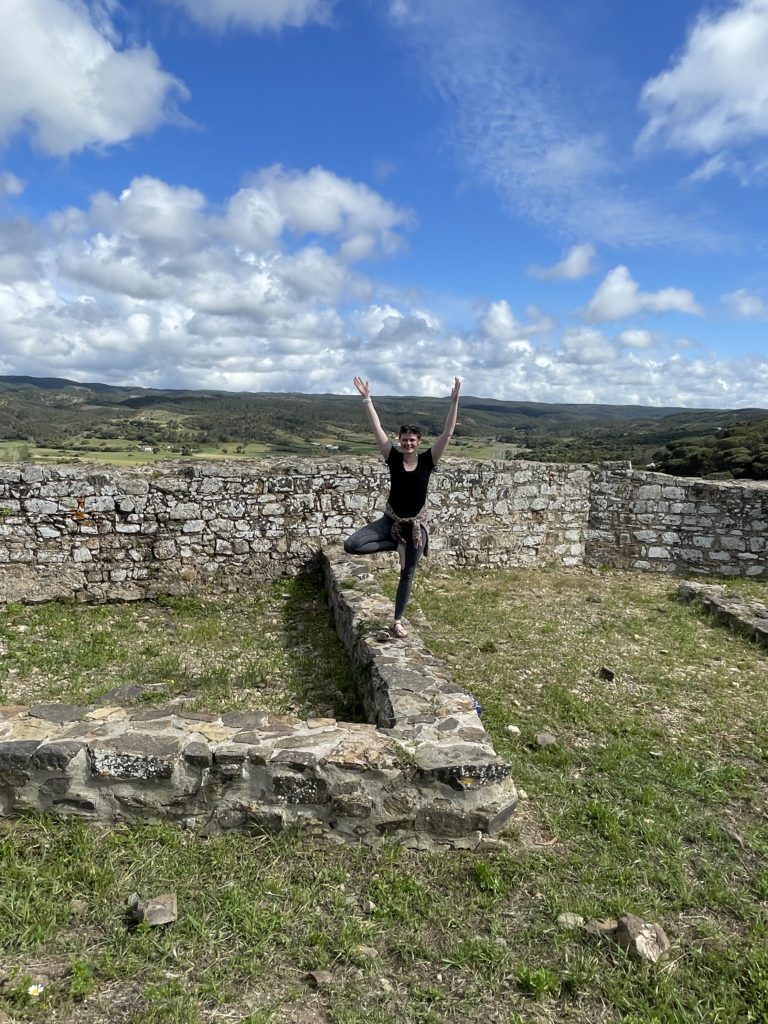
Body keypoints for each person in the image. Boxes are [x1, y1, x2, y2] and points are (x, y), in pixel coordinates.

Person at [344, 375, 461, 638]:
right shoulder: (393, 459)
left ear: (418, 442)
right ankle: (395, 544)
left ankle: (397, 620)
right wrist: (367, 398)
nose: (407, 443)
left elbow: (448, 433)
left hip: (416, 528)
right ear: (399, 440)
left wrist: (454, 402)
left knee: (408, 573)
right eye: (404, 439)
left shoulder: (429, 460)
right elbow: (377, 429)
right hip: (391, 521)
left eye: (412, 440)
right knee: (352, 545)